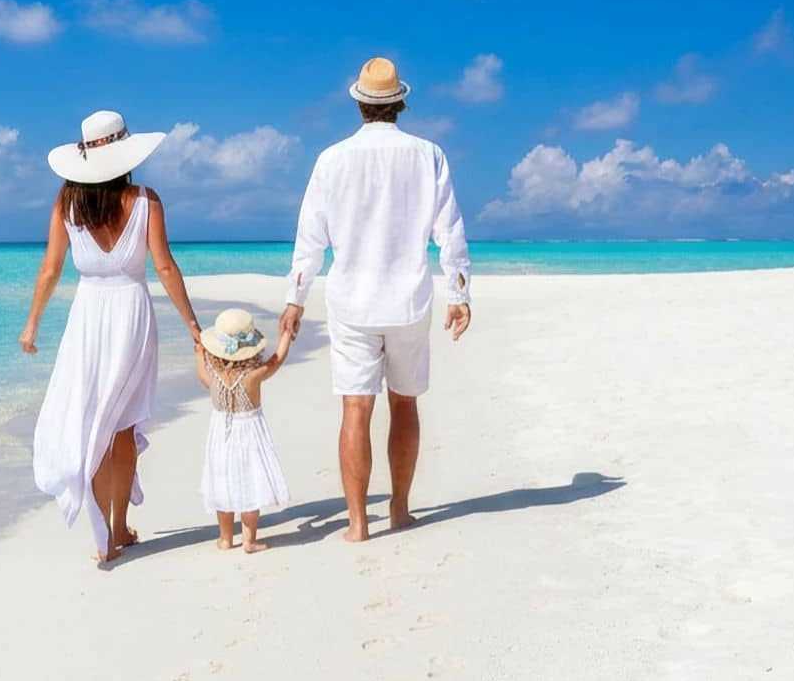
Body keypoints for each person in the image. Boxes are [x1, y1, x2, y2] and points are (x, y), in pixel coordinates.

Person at [277, 57, 473, 543]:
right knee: (404, 405)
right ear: (399, 102)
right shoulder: (428, 154)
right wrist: (459, 291)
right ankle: (400, 509)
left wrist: (295, 299)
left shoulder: (331, 159)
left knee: (355, 409)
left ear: (360, 103)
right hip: (408, 299)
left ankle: (359, 523)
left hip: (352, 304)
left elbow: (311, 239)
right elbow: (448, 229)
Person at [24, 110, 204, 564]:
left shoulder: (67, 203)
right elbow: (164, 266)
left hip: (87, 317)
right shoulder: (146, 200)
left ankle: (104, 528)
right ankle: (119, 527)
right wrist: (193, 326)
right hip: (131, 314)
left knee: (94, 422)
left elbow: (50, 269)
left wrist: (32, 324)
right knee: (120, 422)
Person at [194, 308, 295, 553]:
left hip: (221, 434)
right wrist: (286, 335)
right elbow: (276, 360)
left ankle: (226, 538)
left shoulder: (215, 376)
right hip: (249, 432)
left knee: (223, 483)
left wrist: (199, 354)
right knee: (250, 482)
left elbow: (202, 375)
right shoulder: (254, 375)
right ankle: (249, 540)